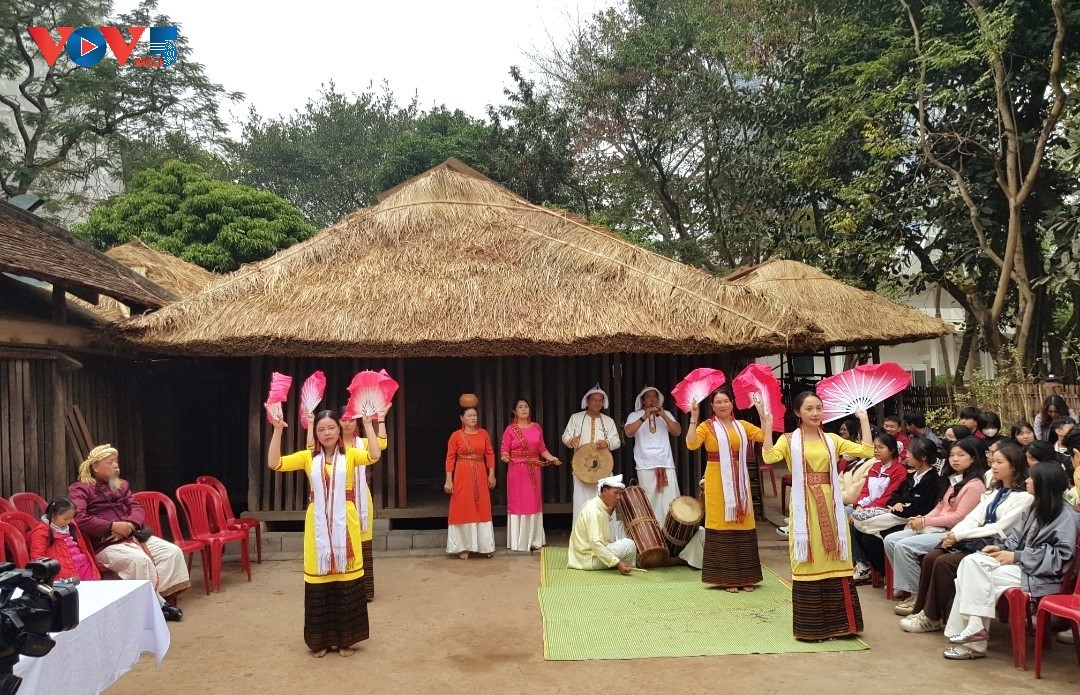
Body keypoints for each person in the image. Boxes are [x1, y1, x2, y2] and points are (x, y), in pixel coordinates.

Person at [760, 393, 874, 641]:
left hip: (831, 506)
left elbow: (867, 450)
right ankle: (812, 628)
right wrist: (766, 425)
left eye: (819, 408)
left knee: (835, 558)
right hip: (805, 506)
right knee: (809, 557)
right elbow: (769, 457)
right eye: (809, 408)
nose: (815, 413)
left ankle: (841, 625)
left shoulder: (833, 440)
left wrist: (863, 419)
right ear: (797, 413)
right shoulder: (789, 440)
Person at [268, 409, 379, 657]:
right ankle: (320, 641)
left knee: (346, 578)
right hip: (317, 524)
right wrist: (277, 431)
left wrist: (369, 425)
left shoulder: (351, 454)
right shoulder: (309, 457)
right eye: (321, 429)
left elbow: (374, 455)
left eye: (331, 427)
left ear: (339, 430)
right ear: (315, 433)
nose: (327, 433)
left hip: (346, 522)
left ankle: (346, 639)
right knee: (320, 578)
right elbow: (275, 463)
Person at [942, 462, 1076, 660]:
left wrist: (1017, 556)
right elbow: (1016, 538)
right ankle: (974, 628)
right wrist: (1001, 547)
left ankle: (973, 640)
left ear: (1044, 483)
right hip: (1023, 567)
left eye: (1032, 478)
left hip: (1042, 576)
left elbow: (1061, 557)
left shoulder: (1066, 517)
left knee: (973, 574)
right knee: (971, 564)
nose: (1027, 480)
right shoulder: (1036, 508)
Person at [900, 441, 1032, 633]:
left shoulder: (1024, 497)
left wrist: (960, 535)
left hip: (995, 545)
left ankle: (932, 617)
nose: (993, 466)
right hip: (974, 540)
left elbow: (999, 528)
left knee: (945, 562)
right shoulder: (995, 491)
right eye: (993, 461)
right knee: (931, 557)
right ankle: (922, 610)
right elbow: (974, 517)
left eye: (999, 462)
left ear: (1014, 466)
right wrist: (954, 534)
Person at [69, 444, 190, 620]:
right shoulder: (80, 489)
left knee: (172, 552)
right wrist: (111, 526)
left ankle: (157, 598)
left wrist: (129, 525)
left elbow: (136, 507)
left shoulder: (121, 485)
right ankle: (155, 606)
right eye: (110, 462)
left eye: (116, 461)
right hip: (104, 544)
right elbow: (78, 517)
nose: (115, 465)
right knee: (139, 561)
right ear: (95, 467)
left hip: (130, 534)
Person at [885, 438, 987, 616]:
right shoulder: (955, 480)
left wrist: (925, 522)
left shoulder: (974, 485)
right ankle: (909, 586)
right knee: (890, 540)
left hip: (952, 533)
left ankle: (918, 595)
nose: (955, 459)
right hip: (937, 527)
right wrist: (923, 518)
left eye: (961, 455)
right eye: (952, 455)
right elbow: (940, 507)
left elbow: (959, 517)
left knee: (904, 546)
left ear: (973, 458)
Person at [687, 387, 766, 592]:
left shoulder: (742, 426)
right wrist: (693, 418)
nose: (723, 405)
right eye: (718, 402)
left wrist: (762, 414)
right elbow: (692, 444)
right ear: (712, 406)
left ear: (732, 403)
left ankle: (746, 577)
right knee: (721, 523)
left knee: (743, 521)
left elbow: (764, 437)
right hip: (717, 480)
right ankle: (726, 579)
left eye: (726, 401)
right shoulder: (707, 426)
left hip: (740, 479)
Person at [306, 406, 387, 602]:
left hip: (361, 500)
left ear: (357, 421)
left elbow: (381, 445)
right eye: (343, 419)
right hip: (335, 503)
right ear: (338, 423)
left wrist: (380, 420)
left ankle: (365, 591)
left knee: (363, 546)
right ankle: (339, 588)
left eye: (351, 419)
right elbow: (310, 449)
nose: (348, 423)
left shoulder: (363, 443)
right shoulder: (332, 445)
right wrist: (310, 424)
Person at [851, 437, 943, 582]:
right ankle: (885, 574)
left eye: (910, 453)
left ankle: (893, 577)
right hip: (898, 515)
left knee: (869, 538)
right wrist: (897, 503)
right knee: (860, 532)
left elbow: (922, 507)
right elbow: (894, 496)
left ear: (923, 457)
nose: (907, 455)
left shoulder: (934, 481)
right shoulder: (911, 476)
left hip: (911, 520)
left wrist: (900, 507)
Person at [500, 398, 561, 552]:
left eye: (526, 406)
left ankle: (534, 540)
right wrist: (505, 456)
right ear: (514, 411)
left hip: (534, 469)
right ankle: (519, 542)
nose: (524, 409)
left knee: (533, 502)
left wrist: (552, 458)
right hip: (517, 470)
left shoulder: (536, 427)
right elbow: (504, 450)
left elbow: (542, 448)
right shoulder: (510, 429)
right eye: (520, 407)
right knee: (519, 502)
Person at [850, 432, 910, 583]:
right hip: (869, 508)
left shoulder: (899, 470)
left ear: (892, 450)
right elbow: (865, 490)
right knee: (852, 518)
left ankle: (880, 571)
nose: (876, 450)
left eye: (880, 447)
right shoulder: (875, 467)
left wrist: (866, 510)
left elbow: (888, 496)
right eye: (875, 447)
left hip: (884, 510)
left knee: (866, 536)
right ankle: (862, 564)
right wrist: (859, 506)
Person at [445, 399, 497, 559]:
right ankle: (463, 547)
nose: (473, 418)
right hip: (462, 474)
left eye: (475, 415)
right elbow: (450, 458)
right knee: (463, 507)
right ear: (462, 418)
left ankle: (485, 546)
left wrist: (491, 474)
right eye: (469, 415)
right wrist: (449, 480)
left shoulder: (483, 434)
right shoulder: (456, 436)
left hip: (480, 474)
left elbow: (490, 454)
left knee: (482, 507)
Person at [562, 384, 622, 521]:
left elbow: (617, 441)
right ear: (587, 401)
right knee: (581, 502)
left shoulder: (608, 421)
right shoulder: (576, 418)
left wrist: (607, 443)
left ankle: (606, 532)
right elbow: (565, 436)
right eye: (594, 399)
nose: (597, 403)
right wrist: (572, 440)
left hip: (603, 467)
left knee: (604, 501)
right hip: (581, 467)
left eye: (600, 400)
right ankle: (582, 532)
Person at [624, 385, 682, 522]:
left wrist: (663, 416)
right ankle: (653, 529)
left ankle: (670, 529)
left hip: (666, 462)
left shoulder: (666, 413)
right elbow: (628, 432)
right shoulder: (635, 415)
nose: (652, 399)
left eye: (654, 396)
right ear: (642, 400)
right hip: (645, 463)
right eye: (648, 397)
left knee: (670, 500)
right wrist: (644, 417)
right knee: (650, 500)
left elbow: (677, 432)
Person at [567, 474, 636, 573]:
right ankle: (626, 565)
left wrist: (613, 505)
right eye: (615, 493)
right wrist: (617, 562)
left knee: (620, 525)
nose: (618, 497)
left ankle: (623, 562)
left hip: (591, 554)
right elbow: (595, 543)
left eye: (620, 494)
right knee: (629, 545)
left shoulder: (596, 503)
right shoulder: (593, 511)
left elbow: (604, 519)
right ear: (605, 491)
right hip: (589, 558)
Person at [28, 497, 99, 583]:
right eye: (65, 519)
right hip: (64, 572)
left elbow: (81, 546)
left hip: (84, 566)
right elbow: (38, 556)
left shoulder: (70, 526)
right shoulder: (41, 532)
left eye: (71, 518)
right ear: (53, 516)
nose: (69, 522)